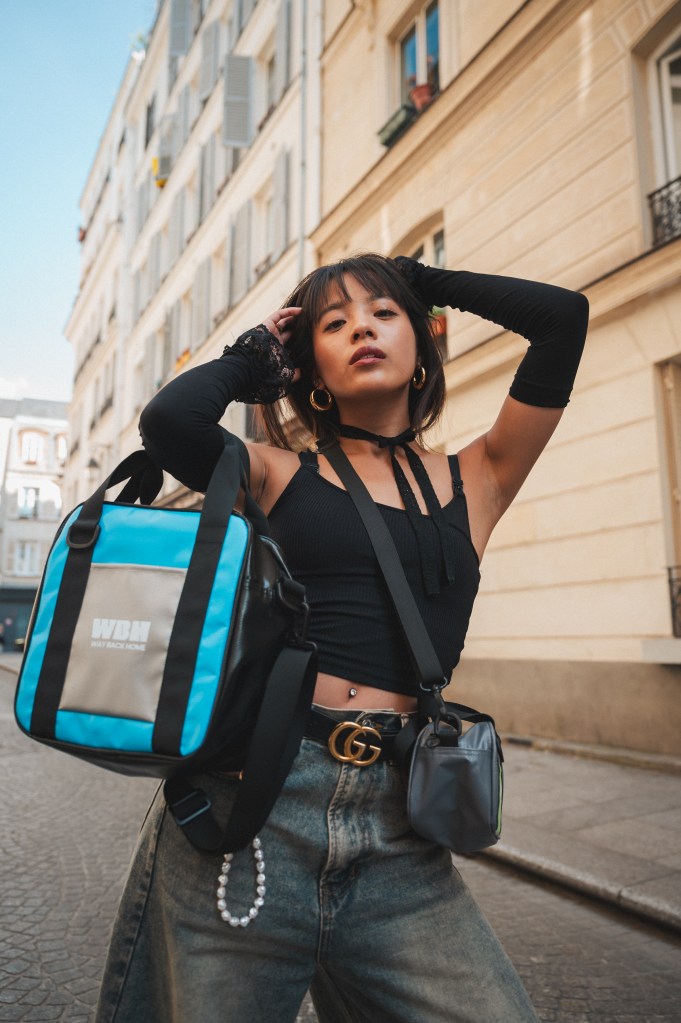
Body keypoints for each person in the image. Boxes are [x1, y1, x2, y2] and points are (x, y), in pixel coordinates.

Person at [95, 253, 588, 1023]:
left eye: (381, 314)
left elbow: (562, 318)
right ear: (310, 368)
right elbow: (168, 424)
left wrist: (419, 280)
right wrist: (249, 356)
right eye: (334, 321)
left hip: (401, 825)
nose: (361, 324)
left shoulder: (481, 473)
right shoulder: (274, 470)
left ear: (422, 348)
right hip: (253, 808)